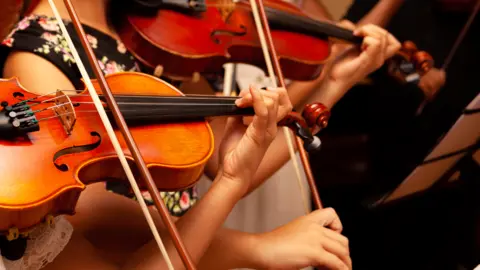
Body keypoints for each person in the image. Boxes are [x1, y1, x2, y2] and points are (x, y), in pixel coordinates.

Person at [0, 0, 399, 269]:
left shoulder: (148, 31)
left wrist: (334, 81)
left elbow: (229, 161)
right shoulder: (38, 55)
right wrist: (252, 246)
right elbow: (94, 215)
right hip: (177, 253)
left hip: (193, 247)